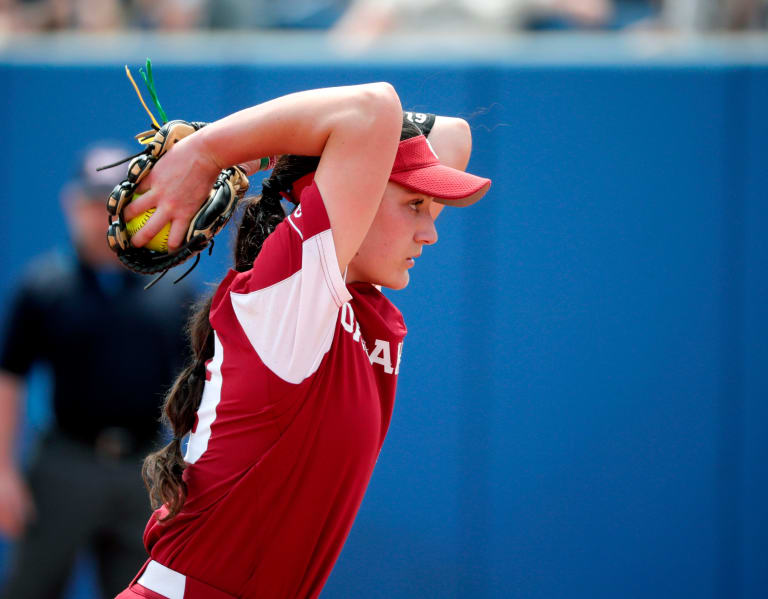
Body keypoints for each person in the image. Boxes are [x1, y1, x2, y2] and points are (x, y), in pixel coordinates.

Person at [114, 83, 491, 599]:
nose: (431, 232)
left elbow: (454, 136)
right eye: (415, 204)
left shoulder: (351, 294)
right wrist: (205, 155)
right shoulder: (290, 297)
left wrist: (276, 150)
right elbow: (371, 109)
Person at [0, 143, 195, 599]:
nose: (100, 214)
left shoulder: (168, 288)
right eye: (91, 202)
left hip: (144, 472)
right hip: (63, 465)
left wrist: (185, 474)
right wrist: (4, 472)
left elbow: (198, 387)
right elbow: (9, 376)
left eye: (114, 201)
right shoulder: (43, 286)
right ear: (72, 204)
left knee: (138, 591)